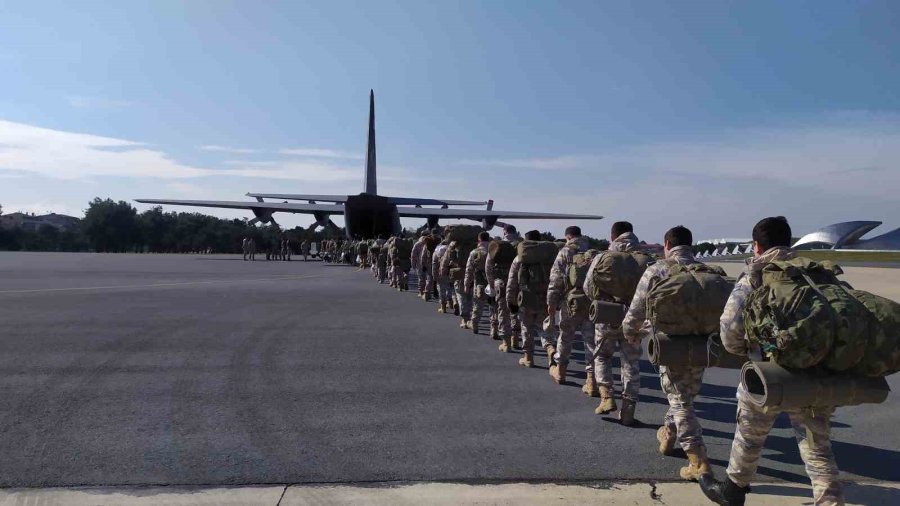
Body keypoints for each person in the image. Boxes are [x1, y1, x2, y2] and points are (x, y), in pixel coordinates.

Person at [700, 217, 844, 506]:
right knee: (816, 444)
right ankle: (830, 499)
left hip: (768, 373)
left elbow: (729, 329)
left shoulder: (756, 274)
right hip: (818, 371)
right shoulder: (817, 273)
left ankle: (734, 489)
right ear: (789, 242)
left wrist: (749, 352)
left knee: (750, 434)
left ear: (757, 245)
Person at [623, 225, 710, 476]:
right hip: (702, 345)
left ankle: (698, 460)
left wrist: (630, 332)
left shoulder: (659, 269)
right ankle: (669, 434)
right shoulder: (707, 271)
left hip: (670, 345)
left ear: (667, 245)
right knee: (685, 395)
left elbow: (638, 307)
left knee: (679, 400)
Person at [585, 221, 645, 408]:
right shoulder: (646, 260)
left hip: (607, 315)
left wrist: (604, 300)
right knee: (631, 362)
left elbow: (588, 287)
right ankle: (628, 409)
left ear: (613, 236)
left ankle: (606, 397)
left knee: (603, 356)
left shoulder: (603, 256)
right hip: (635, 318)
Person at [546, 226, 596, 387]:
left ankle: (560, 371)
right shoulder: (594, 252)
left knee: (566, 336)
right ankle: (591, 379)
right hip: (591, 303)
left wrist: (551, 302)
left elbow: (555, 280)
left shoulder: (565, 252)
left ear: (568, 237)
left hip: (570, 302)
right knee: (591, 341)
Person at [506, 230, 546, 367]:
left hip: (525, 298)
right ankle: (551, 350)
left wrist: (510, 300)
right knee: (544, 328)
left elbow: (512, 281)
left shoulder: (519, 258)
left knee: (526, 327)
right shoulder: (548, 257)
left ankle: (528, 357)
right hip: (544, 297)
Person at [485, 225, 521, 351]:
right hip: (517, 283)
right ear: (515, 232)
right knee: (515, 310)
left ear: (504, 232)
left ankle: (506, 342)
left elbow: (488, 267)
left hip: (501, 282)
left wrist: (491, 284)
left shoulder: (497, 245)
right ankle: (516, 338)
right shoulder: (521, 245)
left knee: (502, 311)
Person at [464, 231, 492, 334]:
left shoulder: (474, 252)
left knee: (478, 304)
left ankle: (475, 323)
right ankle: (494, 329)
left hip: (479, 281)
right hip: (493, 282)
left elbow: (469, 270)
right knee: (493, 306)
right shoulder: (494, 250)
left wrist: (467, 284)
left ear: (479, 239)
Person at [433, 238, 454, 313]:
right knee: (450, 288)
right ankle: (451, 302)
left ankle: (443, 307)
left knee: (441, 289)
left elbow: (434, 264)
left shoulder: (436, 252)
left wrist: (434, 276)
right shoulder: (451, 251)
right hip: (451, 272)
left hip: (440, 273)